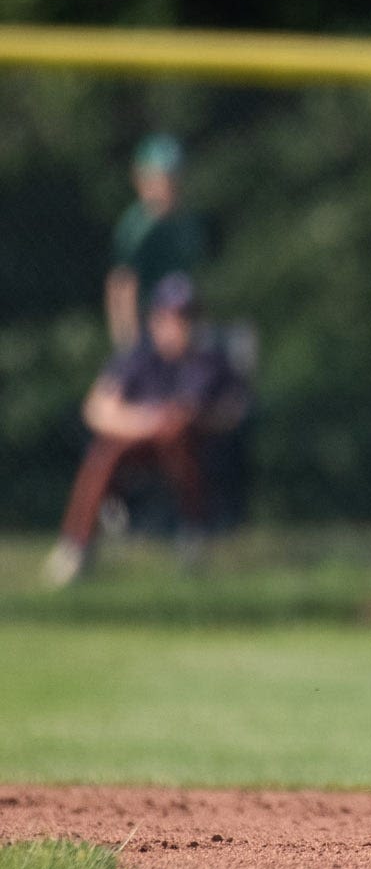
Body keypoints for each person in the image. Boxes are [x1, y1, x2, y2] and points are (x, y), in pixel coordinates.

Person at [46, 273, 248, 586]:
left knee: (177, 434)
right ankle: (77, 546)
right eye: (172, 316)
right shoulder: (136, 360)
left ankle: (191, 533)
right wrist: (146, 421)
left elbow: (234, 410)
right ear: (155, 319)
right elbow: (97, 409)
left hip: (191, 450)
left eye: (188, 316)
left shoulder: (211, 362)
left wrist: (191, 419)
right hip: (135, 447)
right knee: (103, 454)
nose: (180, 325)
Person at [106, 134, 207, 352]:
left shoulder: (188, 223)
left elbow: (193, 280)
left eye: (174, 177)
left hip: (182, 324)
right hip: (146, 326)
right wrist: (127, 345)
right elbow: (123, 284)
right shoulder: (137, 228)